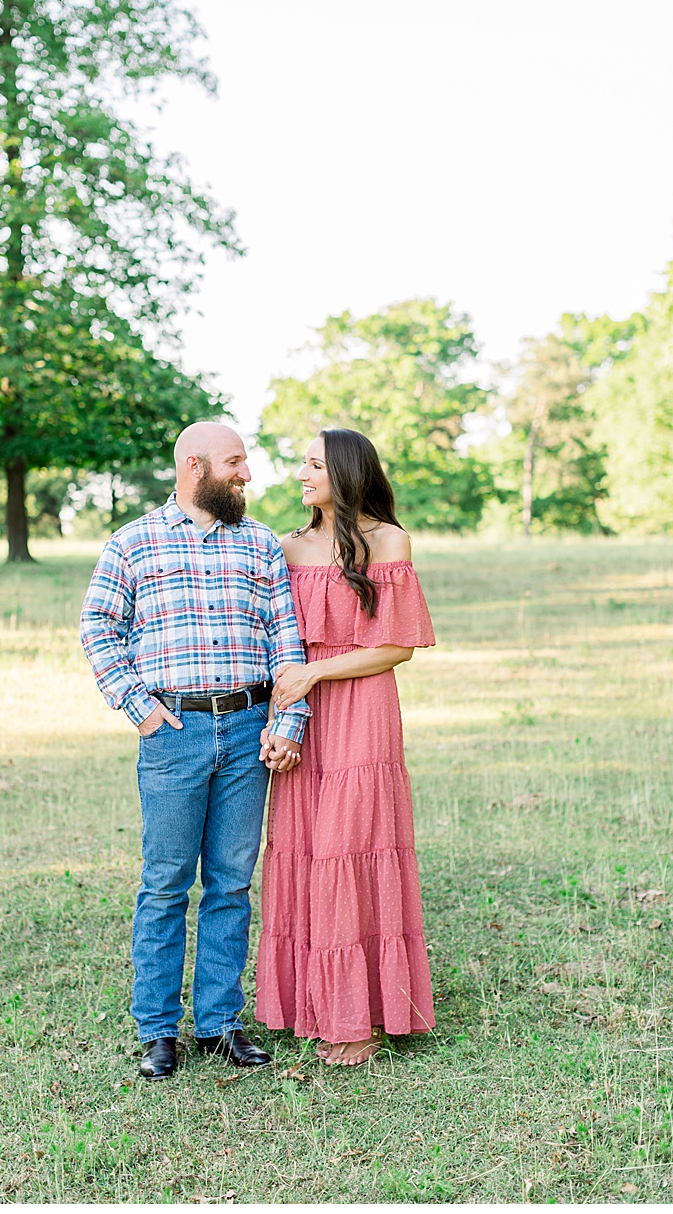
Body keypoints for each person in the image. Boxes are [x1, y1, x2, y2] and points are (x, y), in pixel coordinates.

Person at [80, 421, 309, 1081]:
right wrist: (138, 705)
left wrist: (289, 721)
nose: (246, 474)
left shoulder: (260, 543)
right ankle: (158, 1030)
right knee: (165, 884)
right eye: (235, 463)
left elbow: (286, 638)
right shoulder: (133, 542)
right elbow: (97, 624)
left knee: (231, 883)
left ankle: (219, 1023)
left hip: (249, 729)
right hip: (173, 733)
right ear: (194, 467)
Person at [254, 428, 436, 1066]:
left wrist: (316, 672)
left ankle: (359, 1017)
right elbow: (277, 642)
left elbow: (398, 647)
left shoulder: (388, 541)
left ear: (346, 472)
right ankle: (308, 1003)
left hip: (362, 708)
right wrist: (281, 715)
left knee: (351, 847)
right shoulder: (287, 547)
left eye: (313, 465)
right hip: (302, 710)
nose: (301, 475)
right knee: (304, 847)